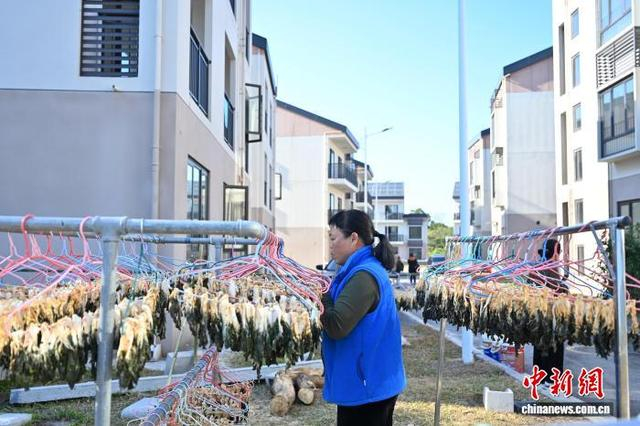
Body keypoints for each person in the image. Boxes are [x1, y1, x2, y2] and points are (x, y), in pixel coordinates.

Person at [321, 209, 406, 426]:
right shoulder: (360, 270)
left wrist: (320, 294)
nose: (330, 245)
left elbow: (337, 325)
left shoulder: (364, 276)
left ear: (353, 238)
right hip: (370, 382)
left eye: (333, 238)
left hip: (367, 387)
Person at [533, 238, 569, 383]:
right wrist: (565, 289)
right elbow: (558, 291)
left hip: (537, 317)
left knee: (540, 348)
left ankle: (540, 380)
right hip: (551, 318)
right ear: (555, 254)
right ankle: (551, 381)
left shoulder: (536, 269)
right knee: (553, 350)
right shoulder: (551, 270)